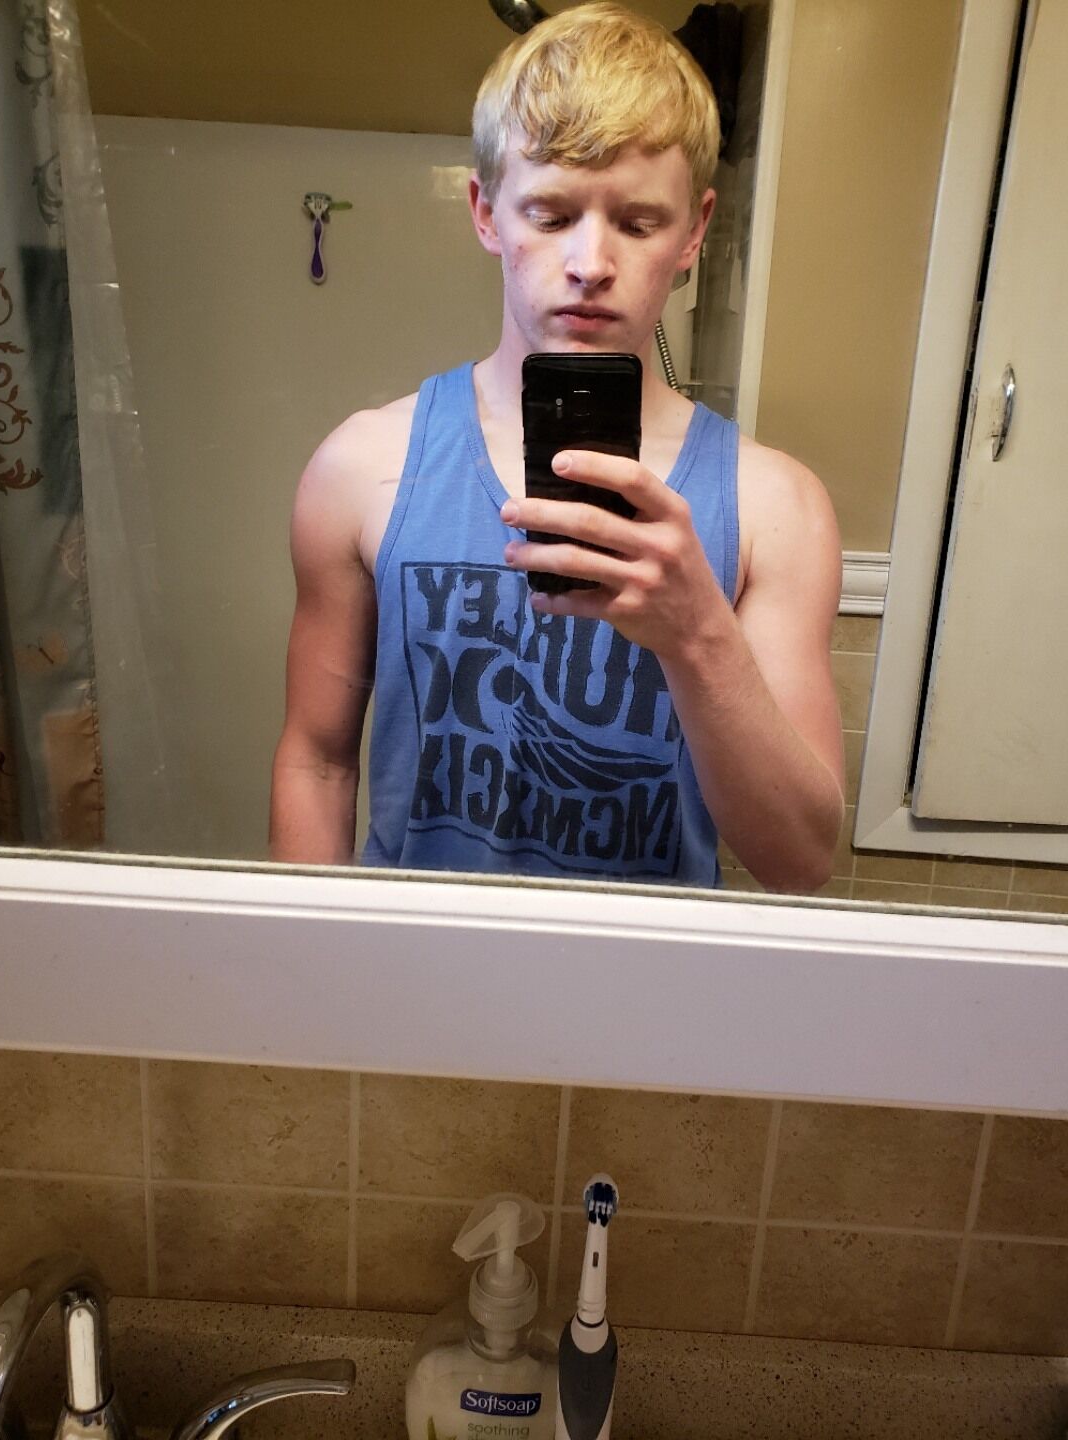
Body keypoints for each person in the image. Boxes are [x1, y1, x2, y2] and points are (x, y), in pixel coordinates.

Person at [270, 1, 844, 892]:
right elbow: (317, 760)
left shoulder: (777, 507)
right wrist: (317, 964)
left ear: (694, 231)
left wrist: (698, 633)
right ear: (485, 211)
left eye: (639, 223)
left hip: (648, 977)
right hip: (414, 970)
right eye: (549, 214)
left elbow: (800, 863)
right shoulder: (361, 468)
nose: (590, 263)